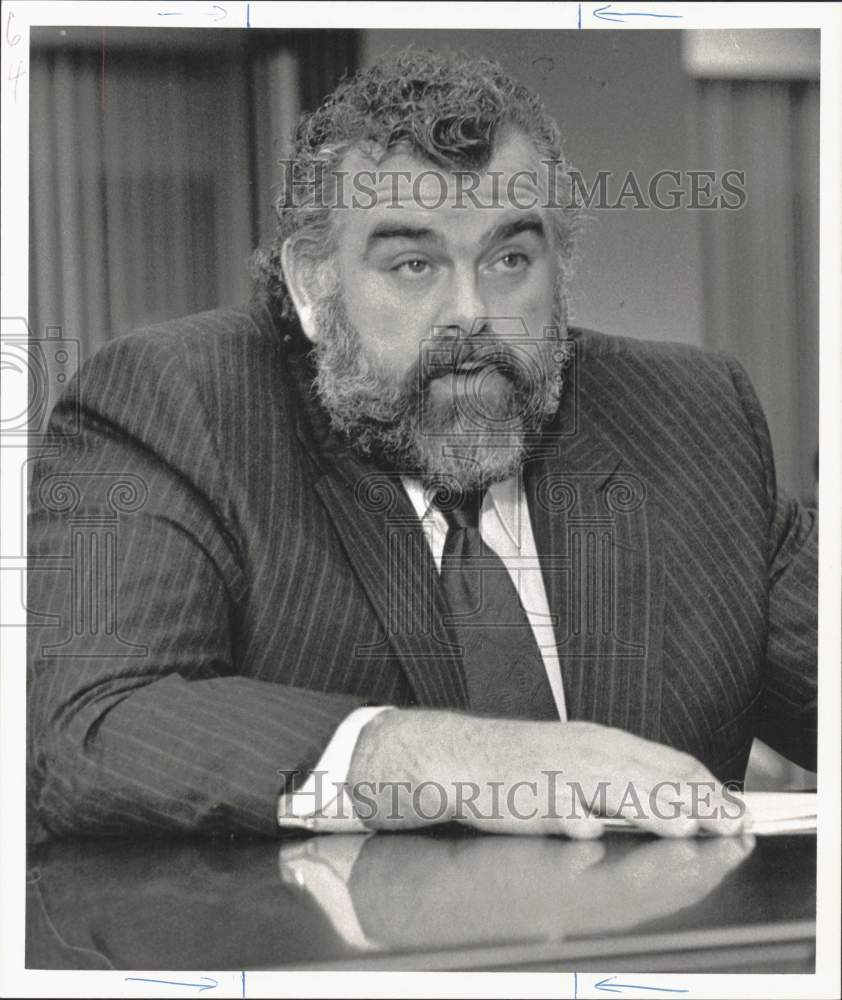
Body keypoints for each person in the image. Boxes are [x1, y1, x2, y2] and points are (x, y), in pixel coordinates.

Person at [26, 49, 817, 842]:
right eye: (413, 264)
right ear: (310, 282)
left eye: (510, 259)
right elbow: (87, 727)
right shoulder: (181, 405)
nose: (471, 315)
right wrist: (442, 758)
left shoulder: (684, 416)